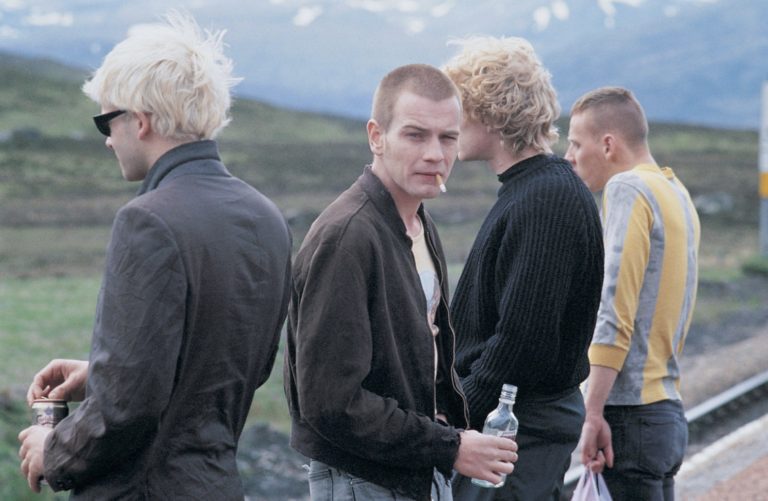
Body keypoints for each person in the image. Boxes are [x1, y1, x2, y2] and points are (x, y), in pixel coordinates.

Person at [17, 11, 292, 498]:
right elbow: (235, 369)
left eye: (107, 118)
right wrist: (105, 371)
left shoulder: (147, 220)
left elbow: (127, 408)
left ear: (139, 121)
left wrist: (51, 448)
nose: (106, 138)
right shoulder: (266, 216)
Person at [284, 63, 518, 501]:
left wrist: (447, 435)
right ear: (376, 136)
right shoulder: (347, 237)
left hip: (412, 470)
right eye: (415, 135)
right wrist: (450, 446)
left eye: (448, 137)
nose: (435, 154)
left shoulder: (418, 224)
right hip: (363, 481)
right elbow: (330, 403)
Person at [442, 36, 605, 500]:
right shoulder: (533, 189)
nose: (452, 125)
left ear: (491, 113)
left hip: (515, 426)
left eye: (461, 108)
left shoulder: (545, 198)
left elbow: (522, 341)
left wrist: (454, 415)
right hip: (512, 425)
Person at [566, 86, 700, 500]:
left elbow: (614, 309)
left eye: (575, 143)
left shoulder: (628, 188)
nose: (569, 156)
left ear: (608, 144)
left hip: (630, 417)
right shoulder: (676, 194)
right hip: (666, 413)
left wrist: (591, 412)